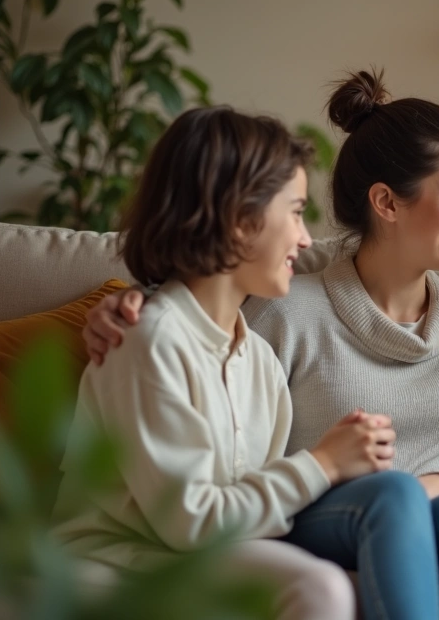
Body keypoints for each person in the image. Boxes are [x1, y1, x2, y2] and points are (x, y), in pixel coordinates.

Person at [80, 69, 439, 620]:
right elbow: (196, 322)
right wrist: (137, 302)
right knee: (396, 499)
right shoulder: (264, 319)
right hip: (269, 524)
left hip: (424, 513)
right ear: (387, 203)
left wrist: (433, 485)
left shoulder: (246, 349)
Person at [54, 106, 365, 619]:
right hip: (116, 563)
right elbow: (193, 519)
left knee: (321, 584)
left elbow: (249, 512)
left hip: (195, 555)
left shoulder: (260, 360)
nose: (306, 238)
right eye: (294, 211)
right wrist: (324, 463)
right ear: (240, 221)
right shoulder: (146, 342)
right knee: (320, 588)